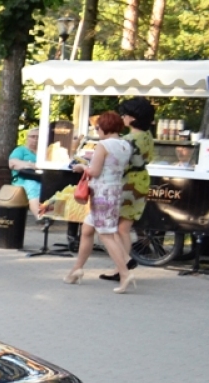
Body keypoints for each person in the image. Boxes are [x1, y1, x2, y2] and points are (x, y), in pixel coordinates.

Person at [63, 111, 136, 292]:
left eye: (97, 128)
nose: (97, 131)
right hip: (115, 191)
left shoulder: (103, 145)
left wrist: (81, 167)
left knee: (106, 235)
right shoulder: (126, 145)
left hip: (102, 193)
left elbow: (94, 171)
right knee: (87, 230)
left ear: (104, 127)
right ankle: (76, 269)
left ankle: (125, 274)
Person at [99, 97, 155, 282]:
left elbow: (119, 161)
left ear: (131, 118)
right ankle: (121, 266)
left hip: (127, 182)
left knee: (117, 227)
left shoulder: (128, 140)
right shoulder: (148, 136)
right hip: (142, 181)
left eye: (124, 115)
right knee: (125, 226)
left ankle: (124, 263)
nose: (122, 118)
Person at [8, 128, 44, 219]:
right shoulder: (21, 150)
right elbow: (12, 163)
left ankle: (50, 214)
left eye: (38, 137)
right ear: (27, 138)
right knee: (33, 185)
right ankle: (40, 216)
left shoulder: (44, 153)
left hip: (41, 179)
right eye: (33, 136)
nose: (35, 139)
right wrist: (32, 165)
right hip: (22, 180)